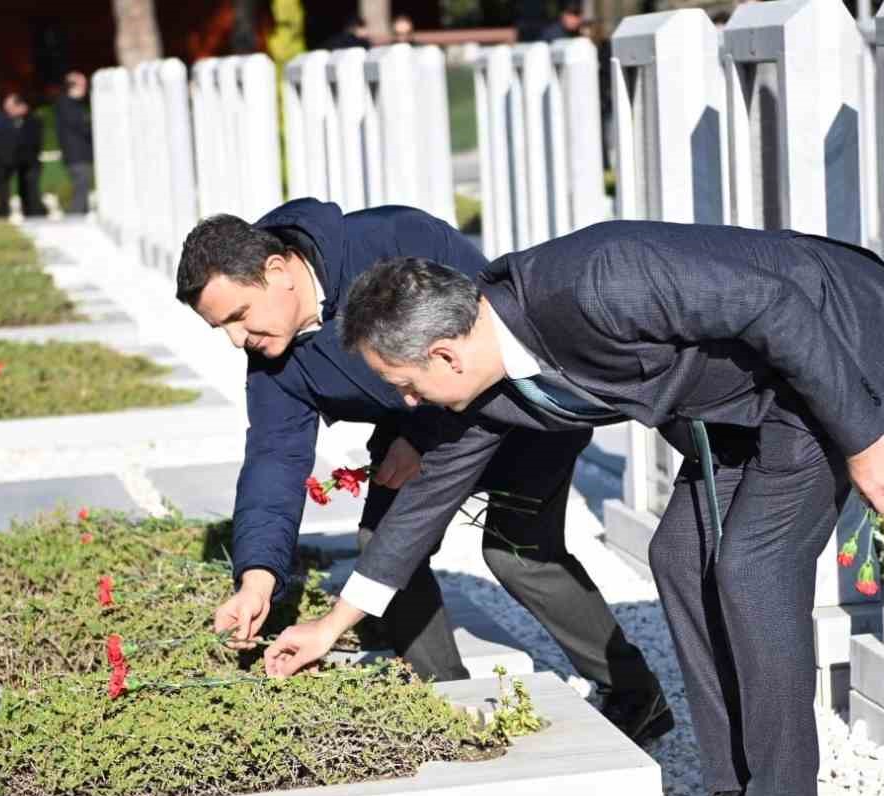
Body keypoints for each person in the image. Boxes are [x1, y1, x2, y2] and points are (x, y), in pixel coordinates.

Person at [264, 221, 884, 796]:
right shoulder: (489, 388)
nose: (406, 404)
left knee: (753, 568)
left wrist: (862, 437)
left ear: (444, 355)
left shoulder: (597, 280)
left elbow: (772, 304)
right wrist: (332, 625)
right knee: (679, 556)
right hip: (739, 400)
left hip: (837, 340)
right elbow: (422, 505)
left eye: (405, 385)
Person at [175, 201, 672, 744]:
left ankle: (633, 692)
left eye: (238, 316)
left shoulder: (394, 239)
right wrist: (257, 578)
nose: (236, 339)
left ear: (277, 271)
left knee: (519, 553)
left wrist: (420, 437)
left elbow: (485, 337)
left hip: (517, 410)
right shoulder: (272, 358)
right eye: (220, 328)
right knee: (385, 546)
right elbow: (274, 458)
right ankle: (450, 704)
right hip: (414, 430)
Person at [54, 72, 94, 216]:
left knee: (83, 188)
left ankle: (80, 217)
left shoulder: (72, 104)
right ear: (72, 86)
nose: (85, 88)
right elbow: (81, 126)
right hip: (76, 155)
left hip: (79, 155)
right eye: (82, 85)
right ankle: (74, 218)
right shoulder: (66, 104)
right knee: (81, 189)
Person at [6, 93, 46, 218]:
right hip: (21, 164)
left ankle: (37, 215)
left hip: (30, 162)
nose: (9, 111)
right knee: (23, 192)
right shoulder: (14, 121)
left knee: (31, 192)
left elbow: (30, 143)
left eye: (12, 108)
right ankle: (29, 214)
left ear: (21, 106)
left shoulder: (32, 121)